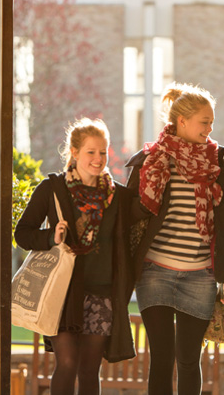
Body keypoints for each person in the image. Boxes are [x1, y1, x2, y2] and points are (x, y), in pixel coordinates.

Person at [125, 82, 224, 395]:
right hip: (155, 274)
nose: (210, 128)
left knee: (189, 359)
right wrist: (148, 196)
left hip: (199, 277)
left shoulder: (218, 163)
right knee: (161, 358)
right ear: (182, 121)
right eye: (205, 121)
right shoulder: (152, 161)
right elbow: (129, 215)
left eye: (212, 122)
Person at [14, 118, 135, 395]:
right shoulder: (53, 189)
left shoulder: (116, 196)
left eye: (103, 152)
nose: (98, 159)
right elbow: (22, 233)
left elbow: (144, 214)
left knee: (90, 370)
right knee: (67, 362)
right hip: (63, 293)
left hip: (101, 293)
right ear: (75, 152)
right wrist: (50, 237)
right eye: (91, 152)